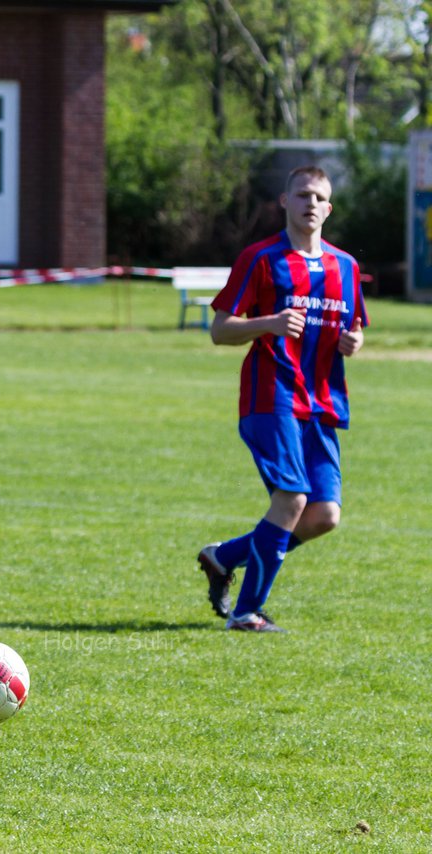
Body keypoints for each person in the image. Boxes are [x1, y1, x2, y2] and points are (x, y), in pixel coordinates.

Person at [196, 165, 368, 632]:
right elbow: (219, 330)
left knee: (323, 516)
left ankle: (223, 557)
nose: (310, 204)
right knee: (292, 499)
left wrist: (355, 343)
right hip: (270, 398)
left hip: (322, 404)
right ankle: (247, 612)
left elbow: (354, 330)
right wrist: (267, 323)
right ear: (285, 202)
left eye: (319, 198)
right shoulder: (261, 258)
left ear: (328, 209)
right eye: (302, 195)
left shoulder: (346, 267)